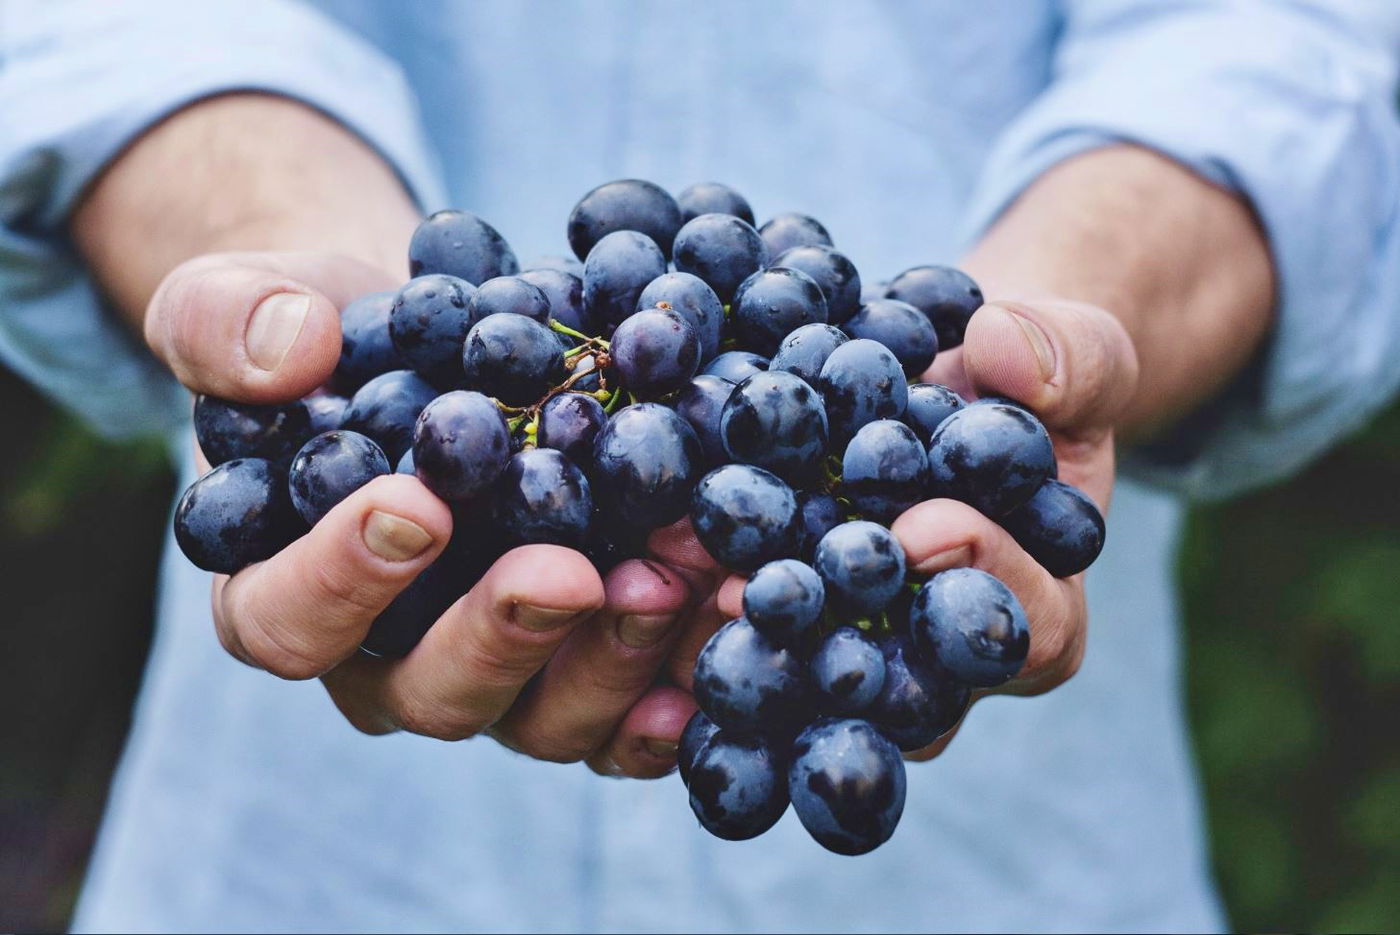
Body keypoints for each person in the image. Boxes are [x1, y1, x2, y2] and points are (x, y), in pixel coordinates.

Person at [4, 1, 1400, 931]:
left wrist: (1057, 317)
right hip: (310, 866)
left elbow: (1291, 45)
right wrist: (283, 264)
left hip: (1004, 869)